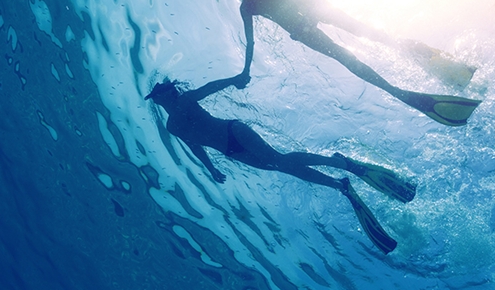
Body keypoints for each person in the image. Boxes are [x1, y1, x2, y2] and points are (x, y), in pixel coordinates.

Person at [146, 74, 416, 254]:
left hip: (234, 132)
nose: (159, 98)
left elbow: (209, 88)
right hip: (230, 150)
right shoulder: (172, 125)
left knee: (278, 159)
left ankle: (340, 163)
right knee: (280, 165)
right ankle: (340, 184)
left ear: (167, 93)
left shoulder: (184, 100)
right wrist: (212, 169)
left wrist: (235, 79)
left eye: (160, 94)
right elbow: (196, 146)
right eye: (157, 97)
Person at [218, 0, 482, 126]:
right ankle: (402, 78)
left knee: (354, 49)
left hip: (304, 21)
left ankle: (398, 90)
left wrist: (245, 72)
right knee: (361, 41)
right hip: (307, 15)